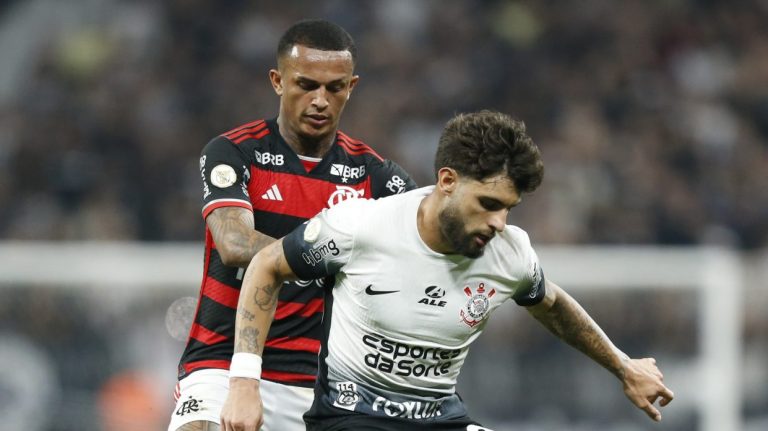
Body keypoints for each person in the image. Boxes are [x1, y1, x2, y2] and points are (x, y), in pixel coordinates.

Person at [220, 110, 675, 431]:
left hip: (440, 418)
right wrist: (243, 380)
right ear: (447, 181)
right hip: (351, 417)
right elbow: (266, 265)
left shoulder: (509, 253)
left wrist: (623, 366)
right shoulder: (362, 226)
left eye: (508, 209)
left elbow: (551, 304)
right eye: (489, 205)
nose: (499, 223)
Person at [168, 19, 416, 431]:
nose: (320, 99)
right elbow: (233, 243)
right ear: (277, 81)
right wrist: (333, 255)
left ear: (351, 87)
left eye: (334, 88)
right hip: (222, 362)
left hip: (324, 381)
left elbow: (417, 257)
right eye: (306, 85)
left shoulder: (377, 178)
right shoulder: (234, 152)